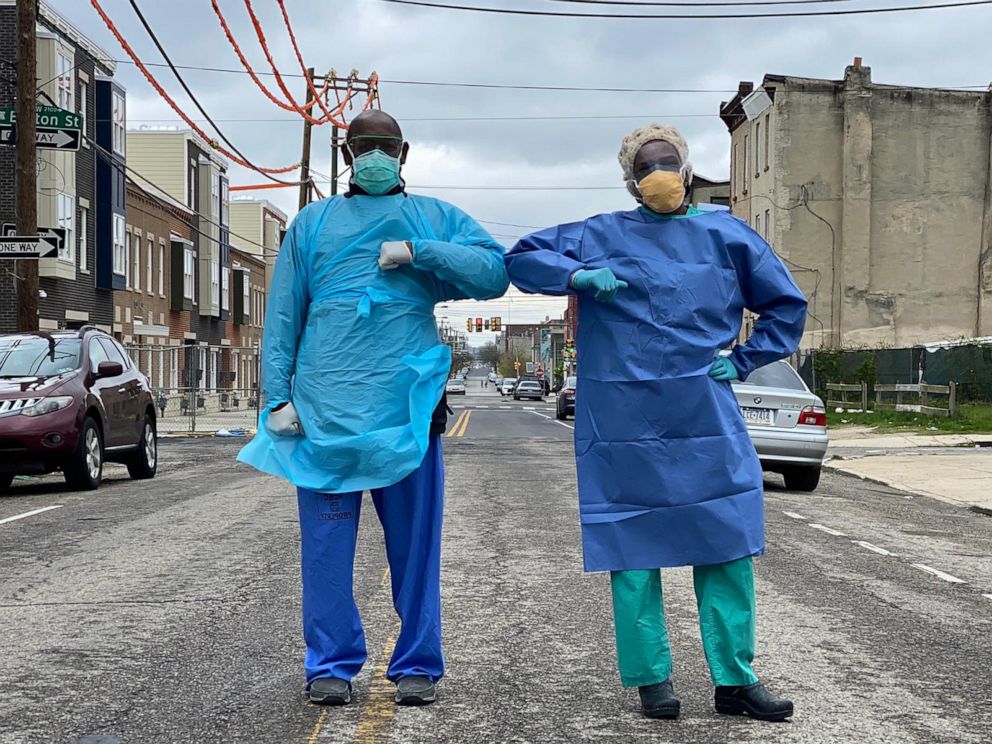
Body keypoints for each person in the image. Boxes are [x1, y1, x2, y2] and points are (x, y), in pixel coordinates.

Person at [504, 124, 808, 723]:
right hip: (623, 421)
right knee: (633, 546)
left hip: (705, 415)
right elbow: (519, 257)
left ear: (687, 167)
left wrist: (742, 359)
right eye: (648, 166)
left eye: (668, 161)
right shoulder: (599, 234)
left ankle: (735, 681)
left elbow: (785, 304)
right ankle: (652, 681)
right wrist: (574, 276)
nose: (661, 173)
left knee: (726, 541)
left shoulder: (725, 234)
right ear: (631, 181)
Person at [238, 110, 509, 707]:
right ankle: (329, 664)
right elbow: (283, 315)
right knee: (326, 552)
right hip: (324, 413)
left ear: (405, 152)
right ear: (346, 152)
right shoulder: (312, 224)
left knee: (415, 548)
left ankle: (417, 662)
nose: (377, 154)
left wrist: (421, 252)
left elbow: (493, 272)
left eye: (386, 145)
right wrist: (274, 397)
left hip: (405, 414)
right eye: (366, 145)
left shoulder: (432, 218)